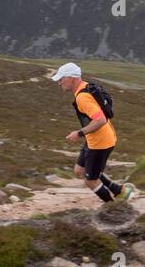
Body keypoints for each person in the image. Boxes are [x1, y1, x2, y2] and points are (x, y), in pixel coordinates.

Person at [50, 62, 134, 202]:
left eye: (61, 79)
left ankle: (113, 207)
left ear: (71, 77)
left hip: (100, 143)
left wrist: (79, 133)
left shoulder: (82, 97)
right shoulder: (86, 86)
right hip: (94, 139)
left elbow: (100, 120)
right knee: (79, 171)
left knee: (90, 181)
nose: (59, 83)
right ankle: (118, 190)